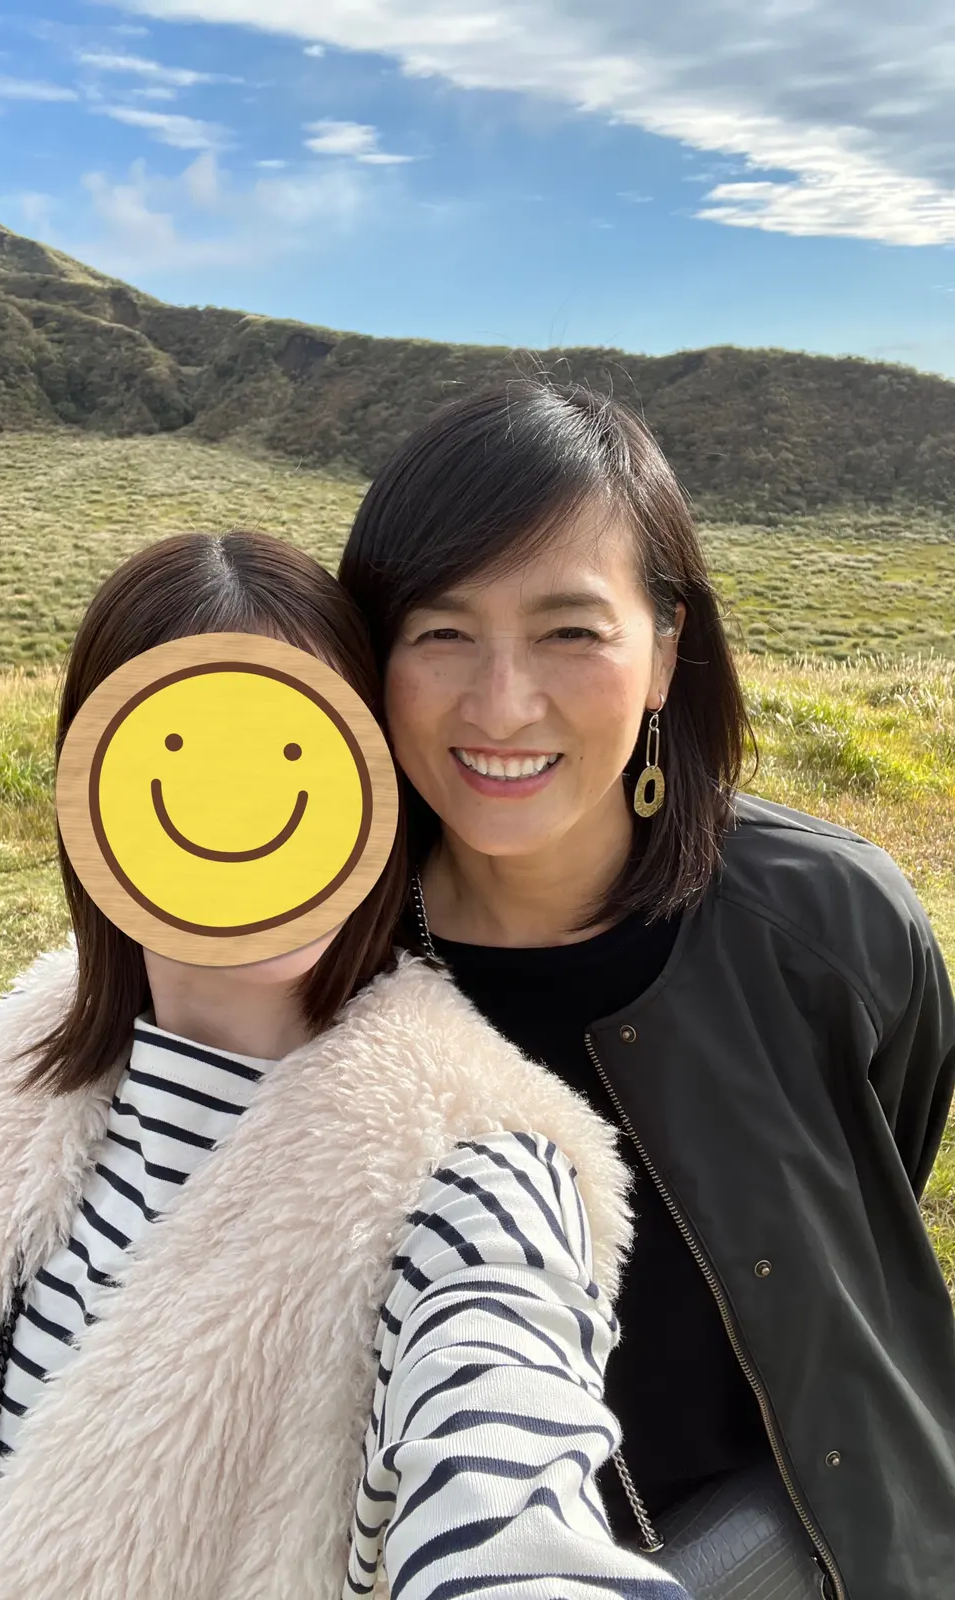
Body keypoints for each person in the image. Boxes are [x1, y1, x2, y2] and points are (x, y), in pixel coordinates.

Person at [0, 530, 691, 1600]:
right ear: (91, 791)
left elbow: (510, 1500)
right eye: (185, 747)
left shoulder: (471, 1181)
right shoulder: (10, 1068)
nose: (243, 804)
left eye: (293, 748)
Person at [338, 381, 955, 1600]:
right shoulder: (327, 973)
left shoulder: (826, 923)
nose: (501, 703)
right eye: (441, 631)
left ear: (666, 649)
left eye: (570, 632)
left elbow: (888, 1155)